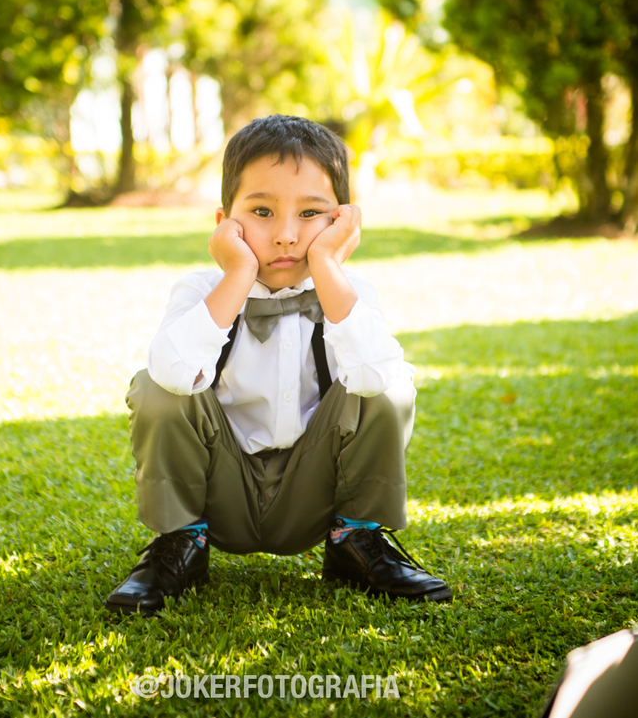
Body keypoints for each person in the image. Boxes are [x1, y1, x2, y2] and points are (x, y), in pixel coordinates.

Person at [106, 114, 450, 616]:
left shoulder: (351, 294)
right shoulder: (202, 289)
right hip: (223, 489)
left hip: (312, 490)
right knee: (156, 389)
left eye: (311, 213)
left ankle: (355, 541)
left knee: (387, 381)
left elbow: (376, 377)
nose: (286, 235)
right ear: (225, 220)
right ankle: (181, 544)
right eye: (262, 211)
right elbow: (172, 374)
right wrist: (239, 274)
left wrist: (328, 270)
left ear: (342, 221)